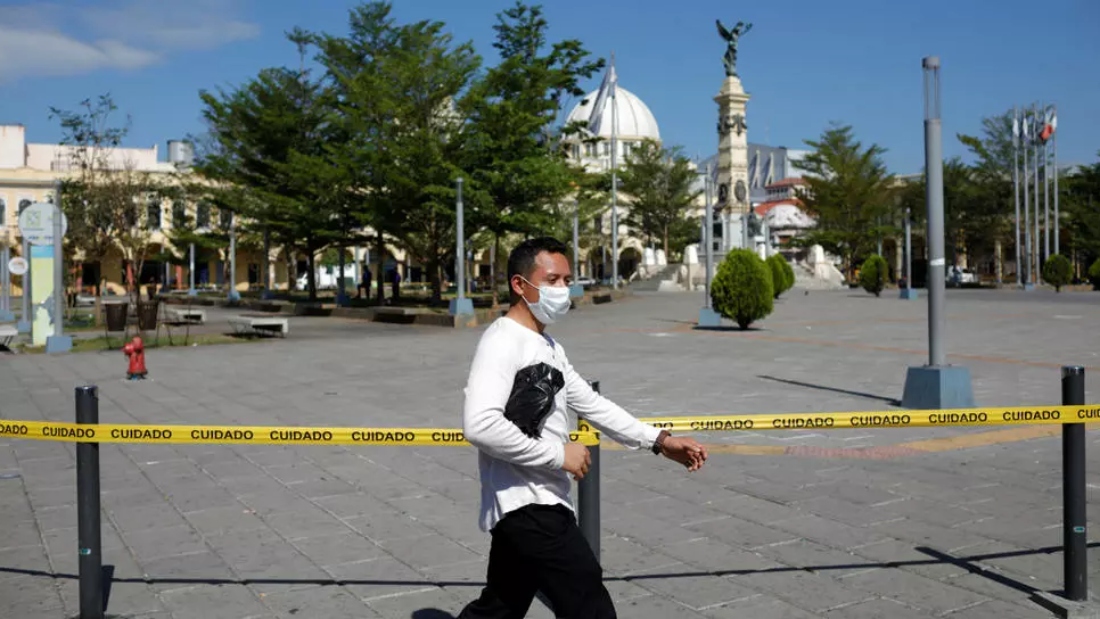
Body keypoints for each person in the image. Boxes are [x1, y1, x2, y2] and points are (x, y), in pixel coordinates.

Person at [458, 237, 708, 619]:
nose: (563, 290)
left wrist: (660, 440)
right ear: (519, 285)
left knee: (499, 609)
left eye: (567, 280)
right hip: (529, 504)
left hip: (533, 503)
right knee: (589, 603)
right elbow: (481, 424)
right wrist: (559, 455)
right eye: (552, 280)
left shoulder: (548, 345)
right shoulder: (502, 341)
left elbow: (592, 404)